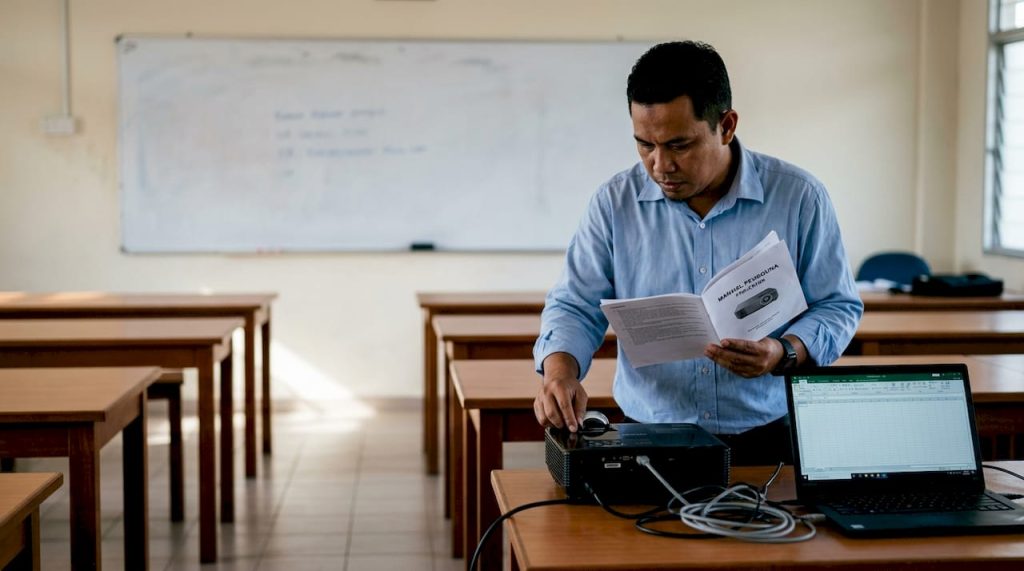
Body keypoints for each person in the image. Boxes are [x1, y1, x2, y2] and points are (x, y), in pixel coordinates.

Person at [532, 40, 863, 465]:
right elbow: (575, 305)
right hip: (649, 433)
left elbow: (837, 306)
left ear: (726, 125)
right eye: (644, 145)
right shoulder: (614, 203)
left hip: (769, 436)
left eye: (679, 145)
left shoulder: (800, 198)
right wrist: (560, 373)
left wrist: (784, 352)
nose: (659, 165)